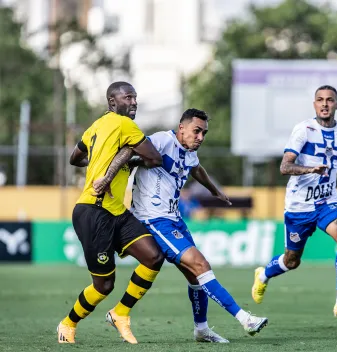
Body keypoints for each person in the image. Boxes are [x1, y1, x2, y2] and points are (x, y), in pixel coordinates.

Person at [93, 108, 269, 342]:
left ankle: (202, 330)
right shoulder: (161, 140)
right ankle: (244, 318)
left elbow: (197, 169)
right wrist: (107, 177)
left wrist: (215, 191)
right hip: (153, 218)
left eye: (204, 133)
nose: (200, 137)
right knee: (200, 264)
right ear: (181, 128)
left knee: (195, 277)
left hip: (173, 218)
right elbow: (130, 149)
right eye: (197, 131)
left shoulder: (188, 152)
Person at [57, 82, 166, 344]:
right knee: (104, 285)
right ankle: (68, 323)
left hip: (116, 209)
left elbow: (75, 158)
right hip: (93, 211)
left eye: (135, 97)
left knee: (153, 256)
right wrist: (130, 158)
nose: (134, 102)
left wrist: (107, 161)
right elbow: (154, 158)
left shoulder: (95, 126)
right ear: (112, 102)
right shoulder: (124, 124)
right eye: (128, 97)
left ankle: (121, 313)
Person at [251, 85, 337, 319]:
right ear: (314, 104)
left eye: (329, 100)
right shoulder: (304, 130)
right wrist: (310, 168)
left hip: (326, 201)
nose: (324, 104)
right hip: (299, 206)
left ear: (336, 105)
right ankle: (263, 275)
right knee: (292, 261)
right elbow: (285, 166)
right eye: (320, 100)